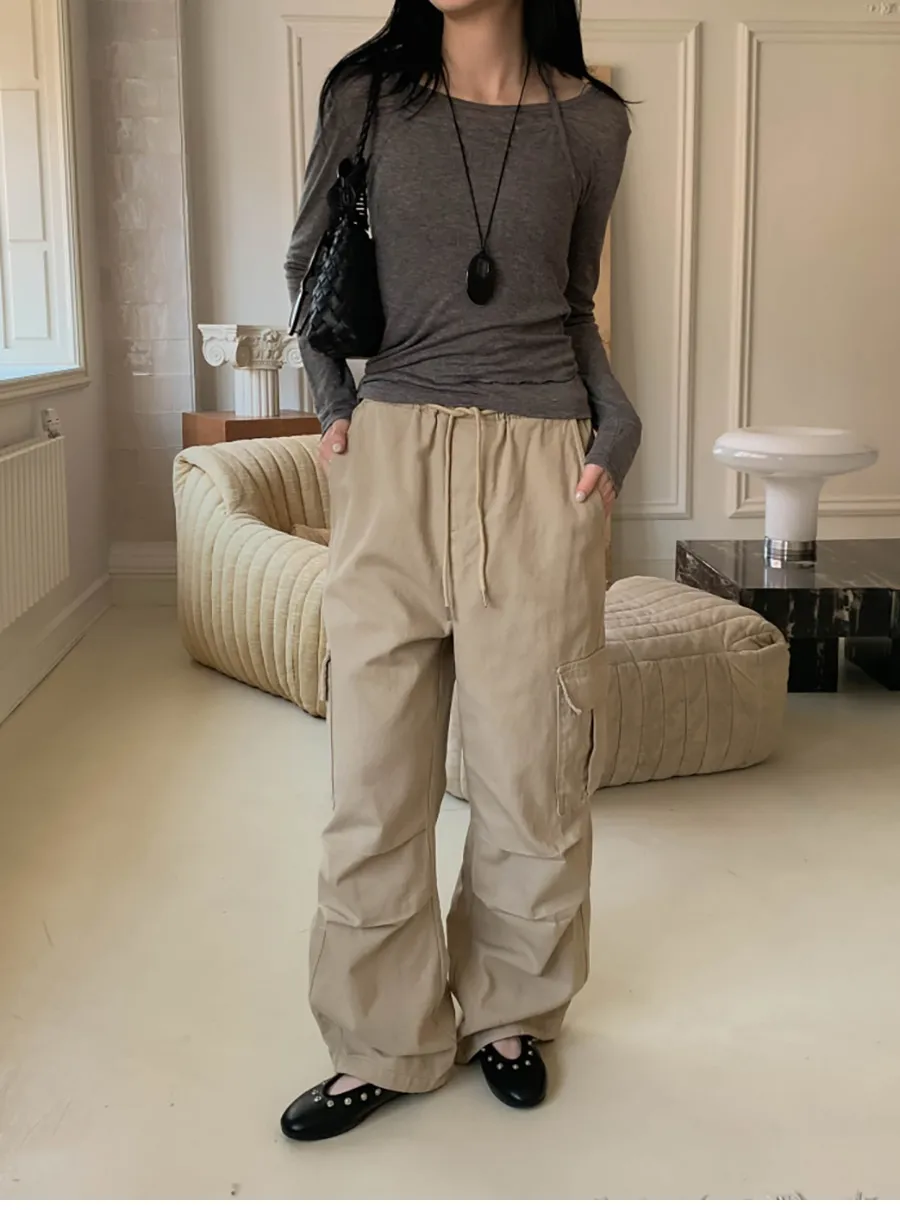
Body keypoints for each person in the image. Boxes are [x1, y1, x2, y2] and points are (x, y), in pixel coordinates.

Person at [281, 0, 642, 1143]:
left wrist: (617, 425)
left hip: (541, 468)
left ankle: (510, 1011)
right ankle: (380, 1038)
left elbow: (571, 304)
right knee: (373, 780)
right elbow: (307, 269)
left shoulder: (593, 125)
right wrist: (335, 407)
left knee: (530, 775)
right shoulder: (367, 98)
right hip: (392, 460)